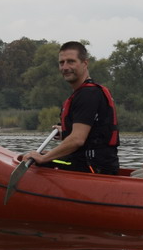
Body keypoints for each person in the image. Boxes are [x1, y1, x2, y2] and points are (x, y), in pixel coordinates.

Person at [19, 41, 120, 174]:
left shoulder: (88, 94)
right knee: (31, 157)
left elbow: (77, 140)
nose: (65, 67)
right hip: (87, 163)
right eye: (62, 63)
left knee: (34, 161)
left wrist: (43, 158)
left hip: (91, 168)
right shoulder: (84, 93)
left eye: (71, 61)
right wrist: (66, 132)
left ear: (85, 63)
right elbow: (92, 131)